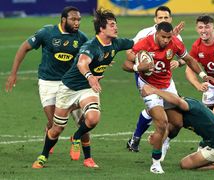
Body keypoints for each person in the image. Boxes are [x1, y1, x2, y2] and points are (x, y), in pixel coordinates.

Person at [31, 9, 134, 169]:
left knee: (92, 118)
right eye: (112, 25)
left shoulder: (117, 43)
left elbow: (139, 42)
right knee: (56, 128)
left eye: (116, 24)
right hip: (69, 88)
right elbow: (81, 63)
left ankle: (81, 146)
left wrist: (164, 36)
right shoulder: (91, 45)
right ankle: (43, 155)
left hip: (87, 88)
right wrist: (91, 77)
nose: (116, 28)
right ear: (102, 28)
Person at [122, 21, 214, 174]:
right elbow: (125, 63)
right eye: (163, 37)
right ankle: (155, 163)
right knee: (162, 123)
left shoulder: (175, 43)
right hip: (148, 86)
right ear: (156, 33)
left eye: (168, 37)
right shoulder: (144, 43)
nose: (166, 40)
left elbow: (189, 60)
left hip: (167, 85)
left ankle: (164, 140)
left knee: (177, 124)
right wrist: (137, 67)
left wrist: (203, 75)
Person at [5, 6, 92, 158]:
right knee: (55, 123)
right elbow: (24, 48)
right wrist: (13, 74)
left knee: (83, 122)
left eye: (79, 19)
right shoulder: (47, 33)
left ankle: (82, 148)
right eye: (73, 19)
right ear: (63, 19)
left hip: (71, 83)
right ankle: (49, 133)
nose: (77, 22)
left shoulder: (82, 38)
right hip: (48, 82)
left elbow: (92, 56)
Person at [126, 5, 185, 155]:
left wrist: (178, 62)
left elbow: (184, 58)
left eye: (166, 17)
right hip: (146, 78)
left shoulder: (175, 36)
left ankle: (153, 139)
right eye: (160, 18)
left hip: (166, 79)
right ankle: (140, 139)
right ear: (155, 19)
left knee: (173, 117)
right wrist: (140, 62)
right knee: (155, 109)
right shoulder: (144, 33)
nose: (163, 20)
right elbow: (130, 52)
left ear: (170, 19)